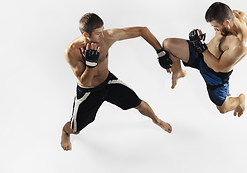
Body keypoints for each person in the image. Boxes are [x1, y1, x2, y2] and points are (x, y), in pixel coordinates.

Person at [61, 13, 173, 151]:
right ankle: (65, 132)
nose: (102, 35)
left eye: (102, 30)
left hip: (108, 82)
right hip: (88, 92)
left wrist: (160, 52)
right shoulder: (72, 51)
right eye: (98, 33)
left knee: (139, 103)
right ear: (85, 34)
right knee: (75, 128)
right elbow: (85, 81)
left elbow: (142, 30)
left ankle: (156, 120)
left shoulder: (107, 37)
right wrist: (90, 64)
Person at [163, 2, 247, 117]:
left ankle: (239, 100)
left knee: (223, 109)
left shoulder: (240, 45)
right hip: (202, 54)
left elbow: (217, 66)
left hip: (214, 74)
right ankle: (178, 71)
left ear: (227, 22)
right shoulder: (236, 14)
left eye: (216, 26)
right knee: (168, 44)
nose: (215, 29)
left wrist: (201, 47)